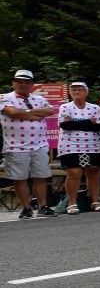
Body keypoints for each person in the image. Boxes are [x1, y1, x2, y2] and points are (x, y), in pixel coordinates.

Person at [1, 69, 57, 218]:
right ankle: (26, 208)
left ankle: (43, 206)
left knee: (41, 176)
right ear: (14, 83)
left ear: (32, 84)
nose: (23, 85)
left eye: (27, 82)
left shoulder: (39, 98)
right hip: (15, 146)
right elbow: (11, 112)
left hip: (39, 144)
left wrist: (23, 113)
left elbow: (50, 111)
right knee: (20, 178)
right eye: (20, 82)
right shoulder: (4, 97)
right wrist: (33, 113)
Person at [56, 81, 100, 214]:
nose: (77, 92)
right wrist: (88, 122)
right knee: (74, 172)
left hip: (93, 144)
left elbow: (98, 126)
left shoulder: (95, 108)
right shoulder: (65, 107)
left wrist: (75, 122)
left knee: (94, 172)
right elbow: (65, 125)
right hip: (70, 144)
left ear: (86, 92)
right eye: (74, 90)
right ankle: (72, 203)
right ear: (70, 93)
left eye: (80, 89)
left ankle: (94, 201)